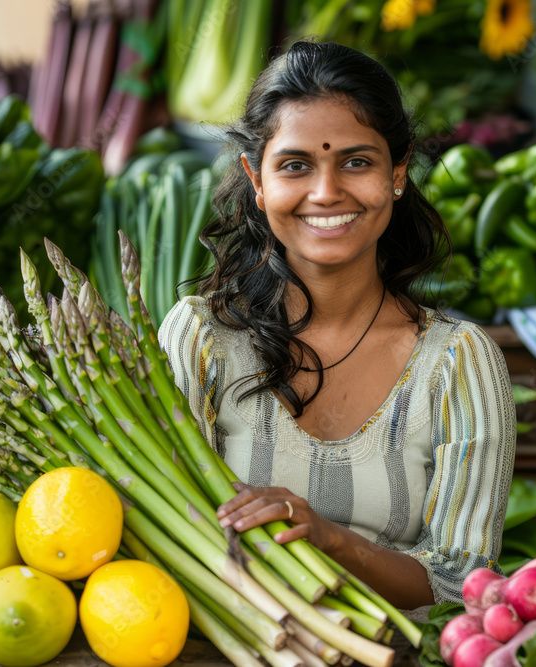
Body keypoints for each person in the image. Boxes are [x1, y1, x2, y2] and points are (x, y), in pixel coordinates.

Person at [159, 40, 516, 609]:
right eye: (295, 165)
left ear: (397, 173)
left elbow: (460, 584)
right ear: (256, 178)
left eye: (356, 161)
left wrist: (327, 538)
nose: (326, 193)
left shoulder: (457, 364)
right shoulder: (204, 341)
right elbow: (170, 536)